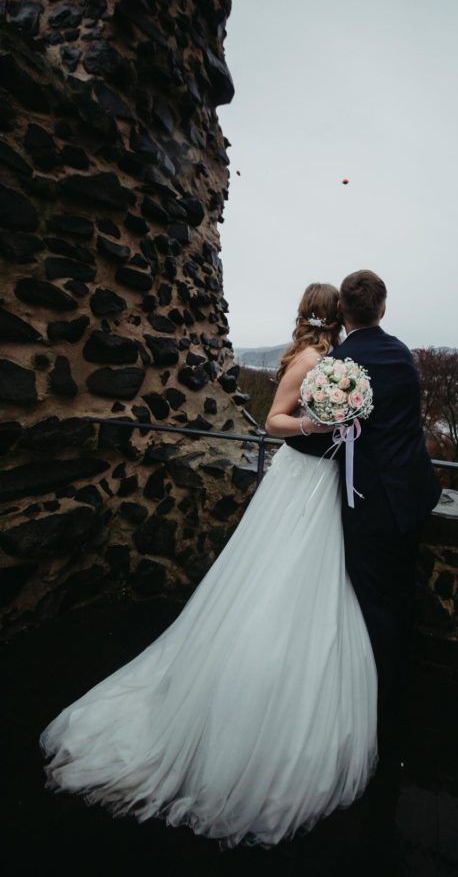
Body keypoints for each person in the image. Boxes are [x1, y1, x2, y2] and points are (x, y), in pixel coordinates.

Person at [38, 282, 379, 851]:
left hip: (319, 482)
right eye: (338, 312)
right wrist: (319, 426)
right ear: (332, 314)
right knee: (275, 581)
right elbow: (273, 421)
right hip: (300, 483)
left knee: (312, 580)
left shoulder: (333, 362)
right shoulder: (310, 360)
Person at [287, 270, 442, 760]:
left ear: (342, 313)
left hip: (371, 503)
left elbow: (326, 435)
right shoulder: (402, 354)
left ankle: (373, 705)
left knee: (372, 605)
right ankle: (397, 693)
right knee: (401, 595)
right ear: (383, 308)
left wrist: (298, 438)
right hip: (413, 496)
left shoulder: (338, 365)